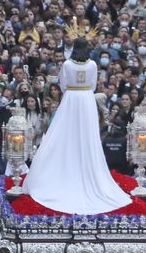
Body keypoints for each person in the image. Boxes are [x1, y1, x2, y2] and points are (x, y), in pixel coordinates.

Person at [21, 40, 128, 215]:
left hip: (71, 98)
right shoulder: (92, 64)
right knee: (86, 136)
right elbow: (93, 85)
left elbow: (63, 85)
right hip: (86, 99)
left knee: (67, 133)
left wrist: (73, 90)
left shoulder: (68, 64)